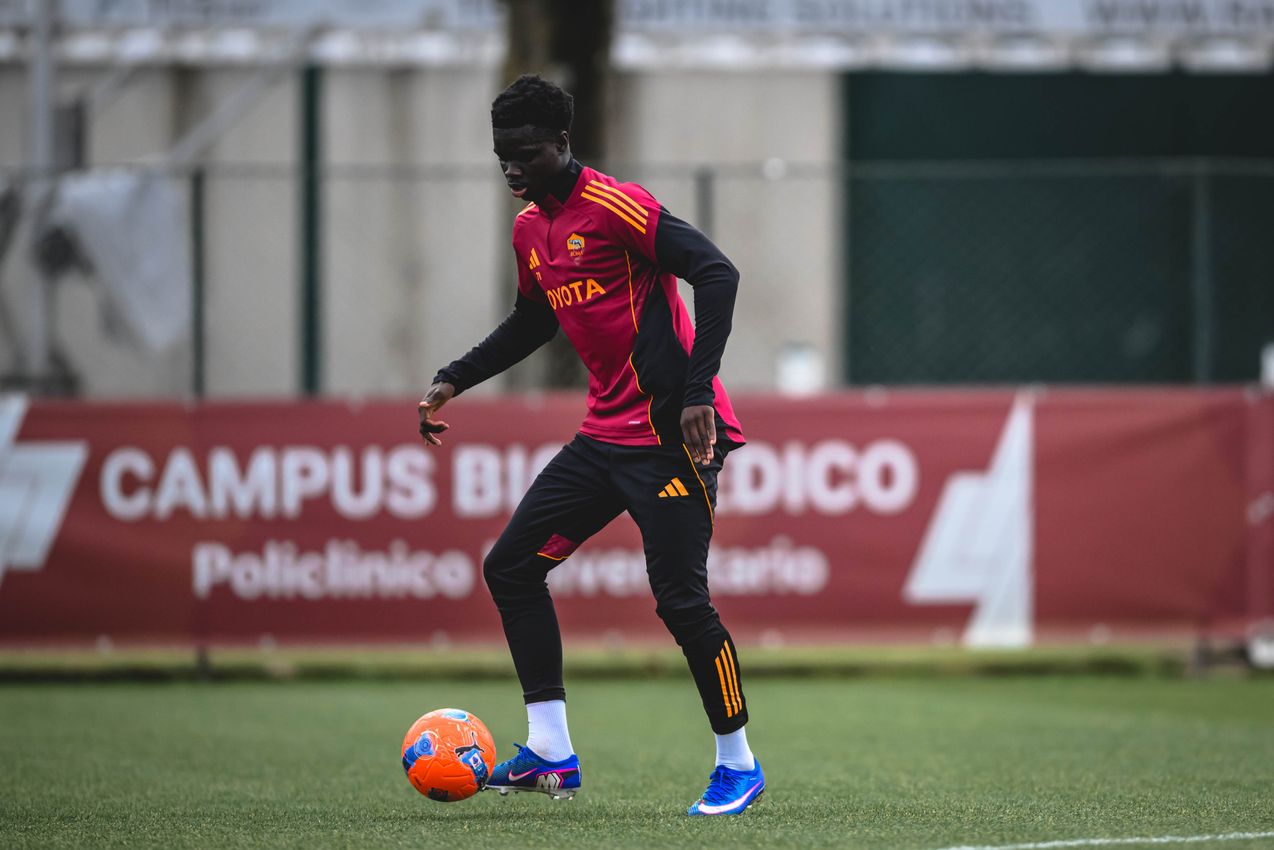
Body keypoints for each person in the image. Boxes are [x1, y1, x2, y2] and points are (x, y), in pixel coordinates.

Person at [417, 74, 763, 817]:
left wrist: (700, 390)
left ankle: (739, 763)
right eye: (501, 153)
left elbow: (717, 272)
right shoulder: (529, 229)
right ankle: (550, 752)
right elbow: (533, 322)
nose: (511, 166)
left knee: (680, 601)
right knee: (511, 568)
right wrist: (455, 378)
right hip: (604, 438)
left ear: (564, 144)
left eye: (526, 152)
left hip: (675, 441)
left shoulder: (614, 205)